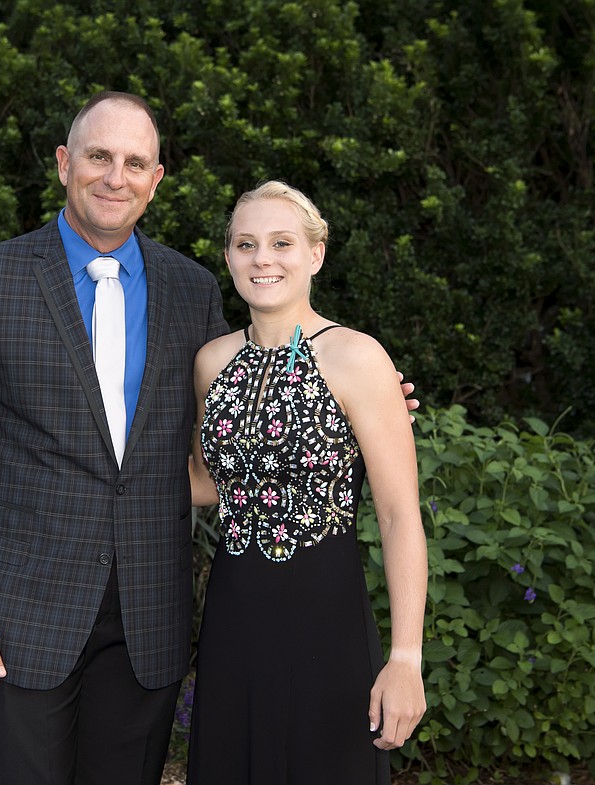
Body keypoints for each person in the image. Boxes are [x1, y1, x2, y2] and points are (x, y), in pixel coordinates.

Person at [0, 92, 419, 785]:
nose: (115, 176)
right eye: (99, 157)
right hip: (21, 614)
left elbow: (215, 445)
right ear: (64, 163)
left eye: (135, 162)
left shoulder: (189, 288)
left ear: (155, 181)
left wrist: (368, 412)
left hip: (151, 618)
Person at [186, 181, 428, 785]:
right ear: (229, 257)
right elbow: (204, 484)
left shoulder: (357, 357)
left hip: (328, 625)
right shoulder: (210, 361)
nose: (262, 258)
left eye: (282, 243)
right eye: (246, 244)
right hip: (234, 626)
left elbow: (399, 516)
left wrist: (406, 659)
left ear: (315, 255)